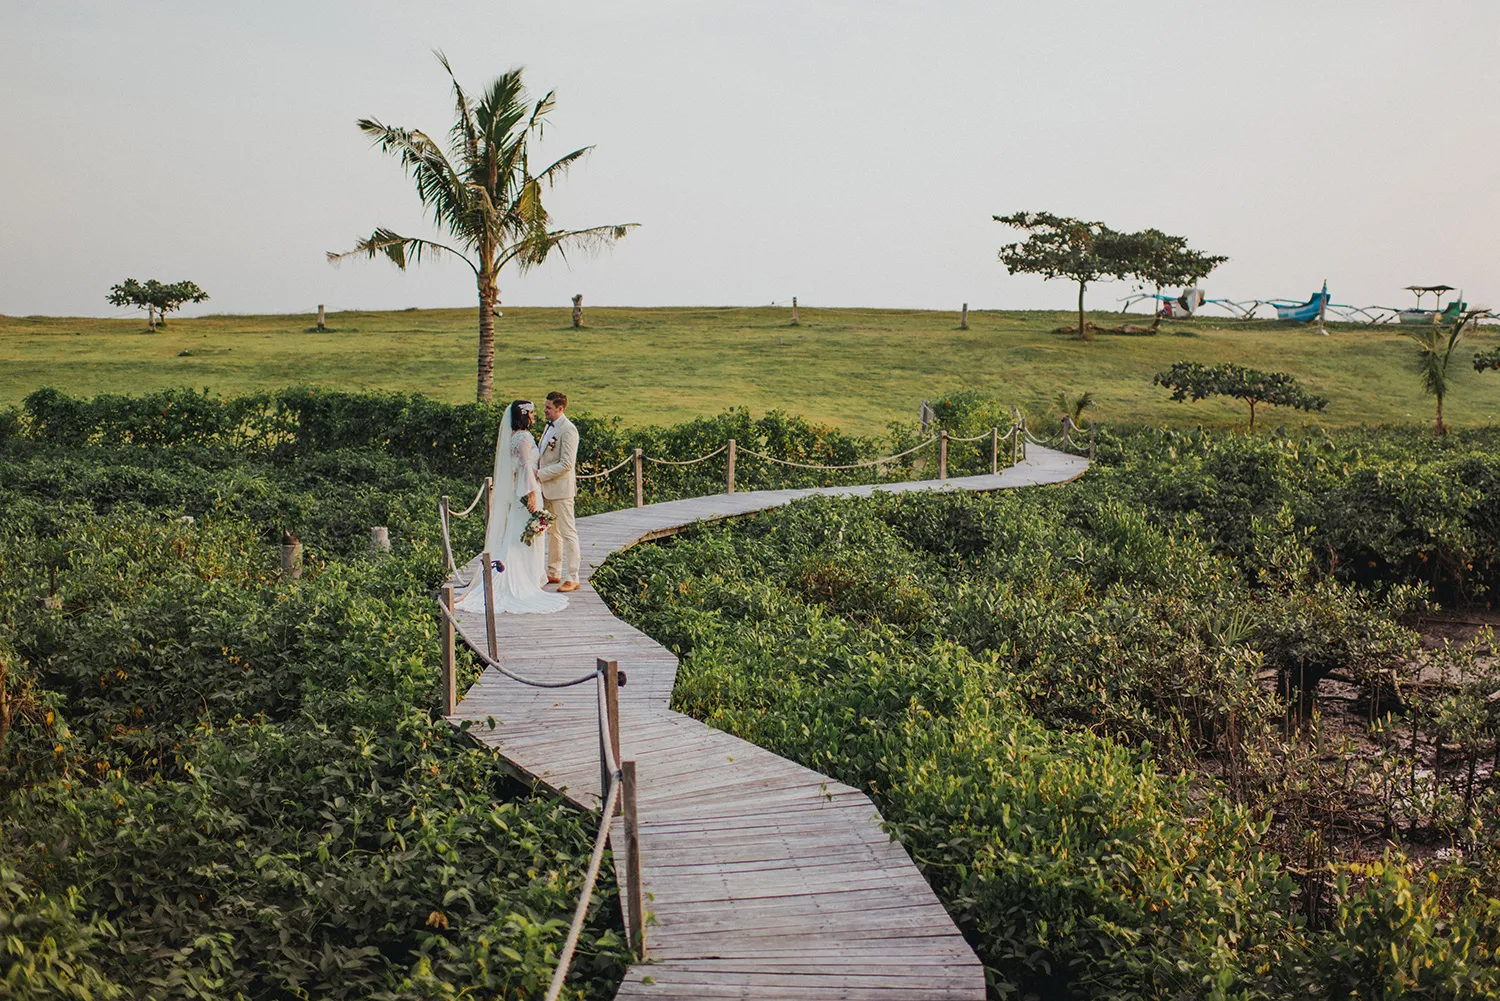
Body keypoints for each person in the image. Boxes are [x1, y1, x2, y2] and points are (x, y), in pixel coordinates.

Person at [456, 400, 567, 615]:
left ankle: (527, 577)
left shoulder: (515, 437)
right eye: (532, 413)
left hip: (521, 492)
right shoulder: (524, 438)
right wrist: (532, 495)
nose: (535, 417)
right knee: (521, 538)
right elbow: (526, 467)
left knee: (520, 536)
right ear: (524, 415)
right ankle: (518, 580)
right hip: (526, 493)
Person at [537, 391, 580, 592]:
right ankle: (553, 572)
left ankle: (573, 576)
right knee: (552, 532)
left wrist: (540, 474)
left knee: (568, 532)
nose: (544, 410)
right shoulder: (548, 427)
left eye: (548, 408)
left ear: (560, 408)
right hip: (547, 490)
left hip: (561, 490)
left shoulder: (568, 430)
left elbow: (566, 464)